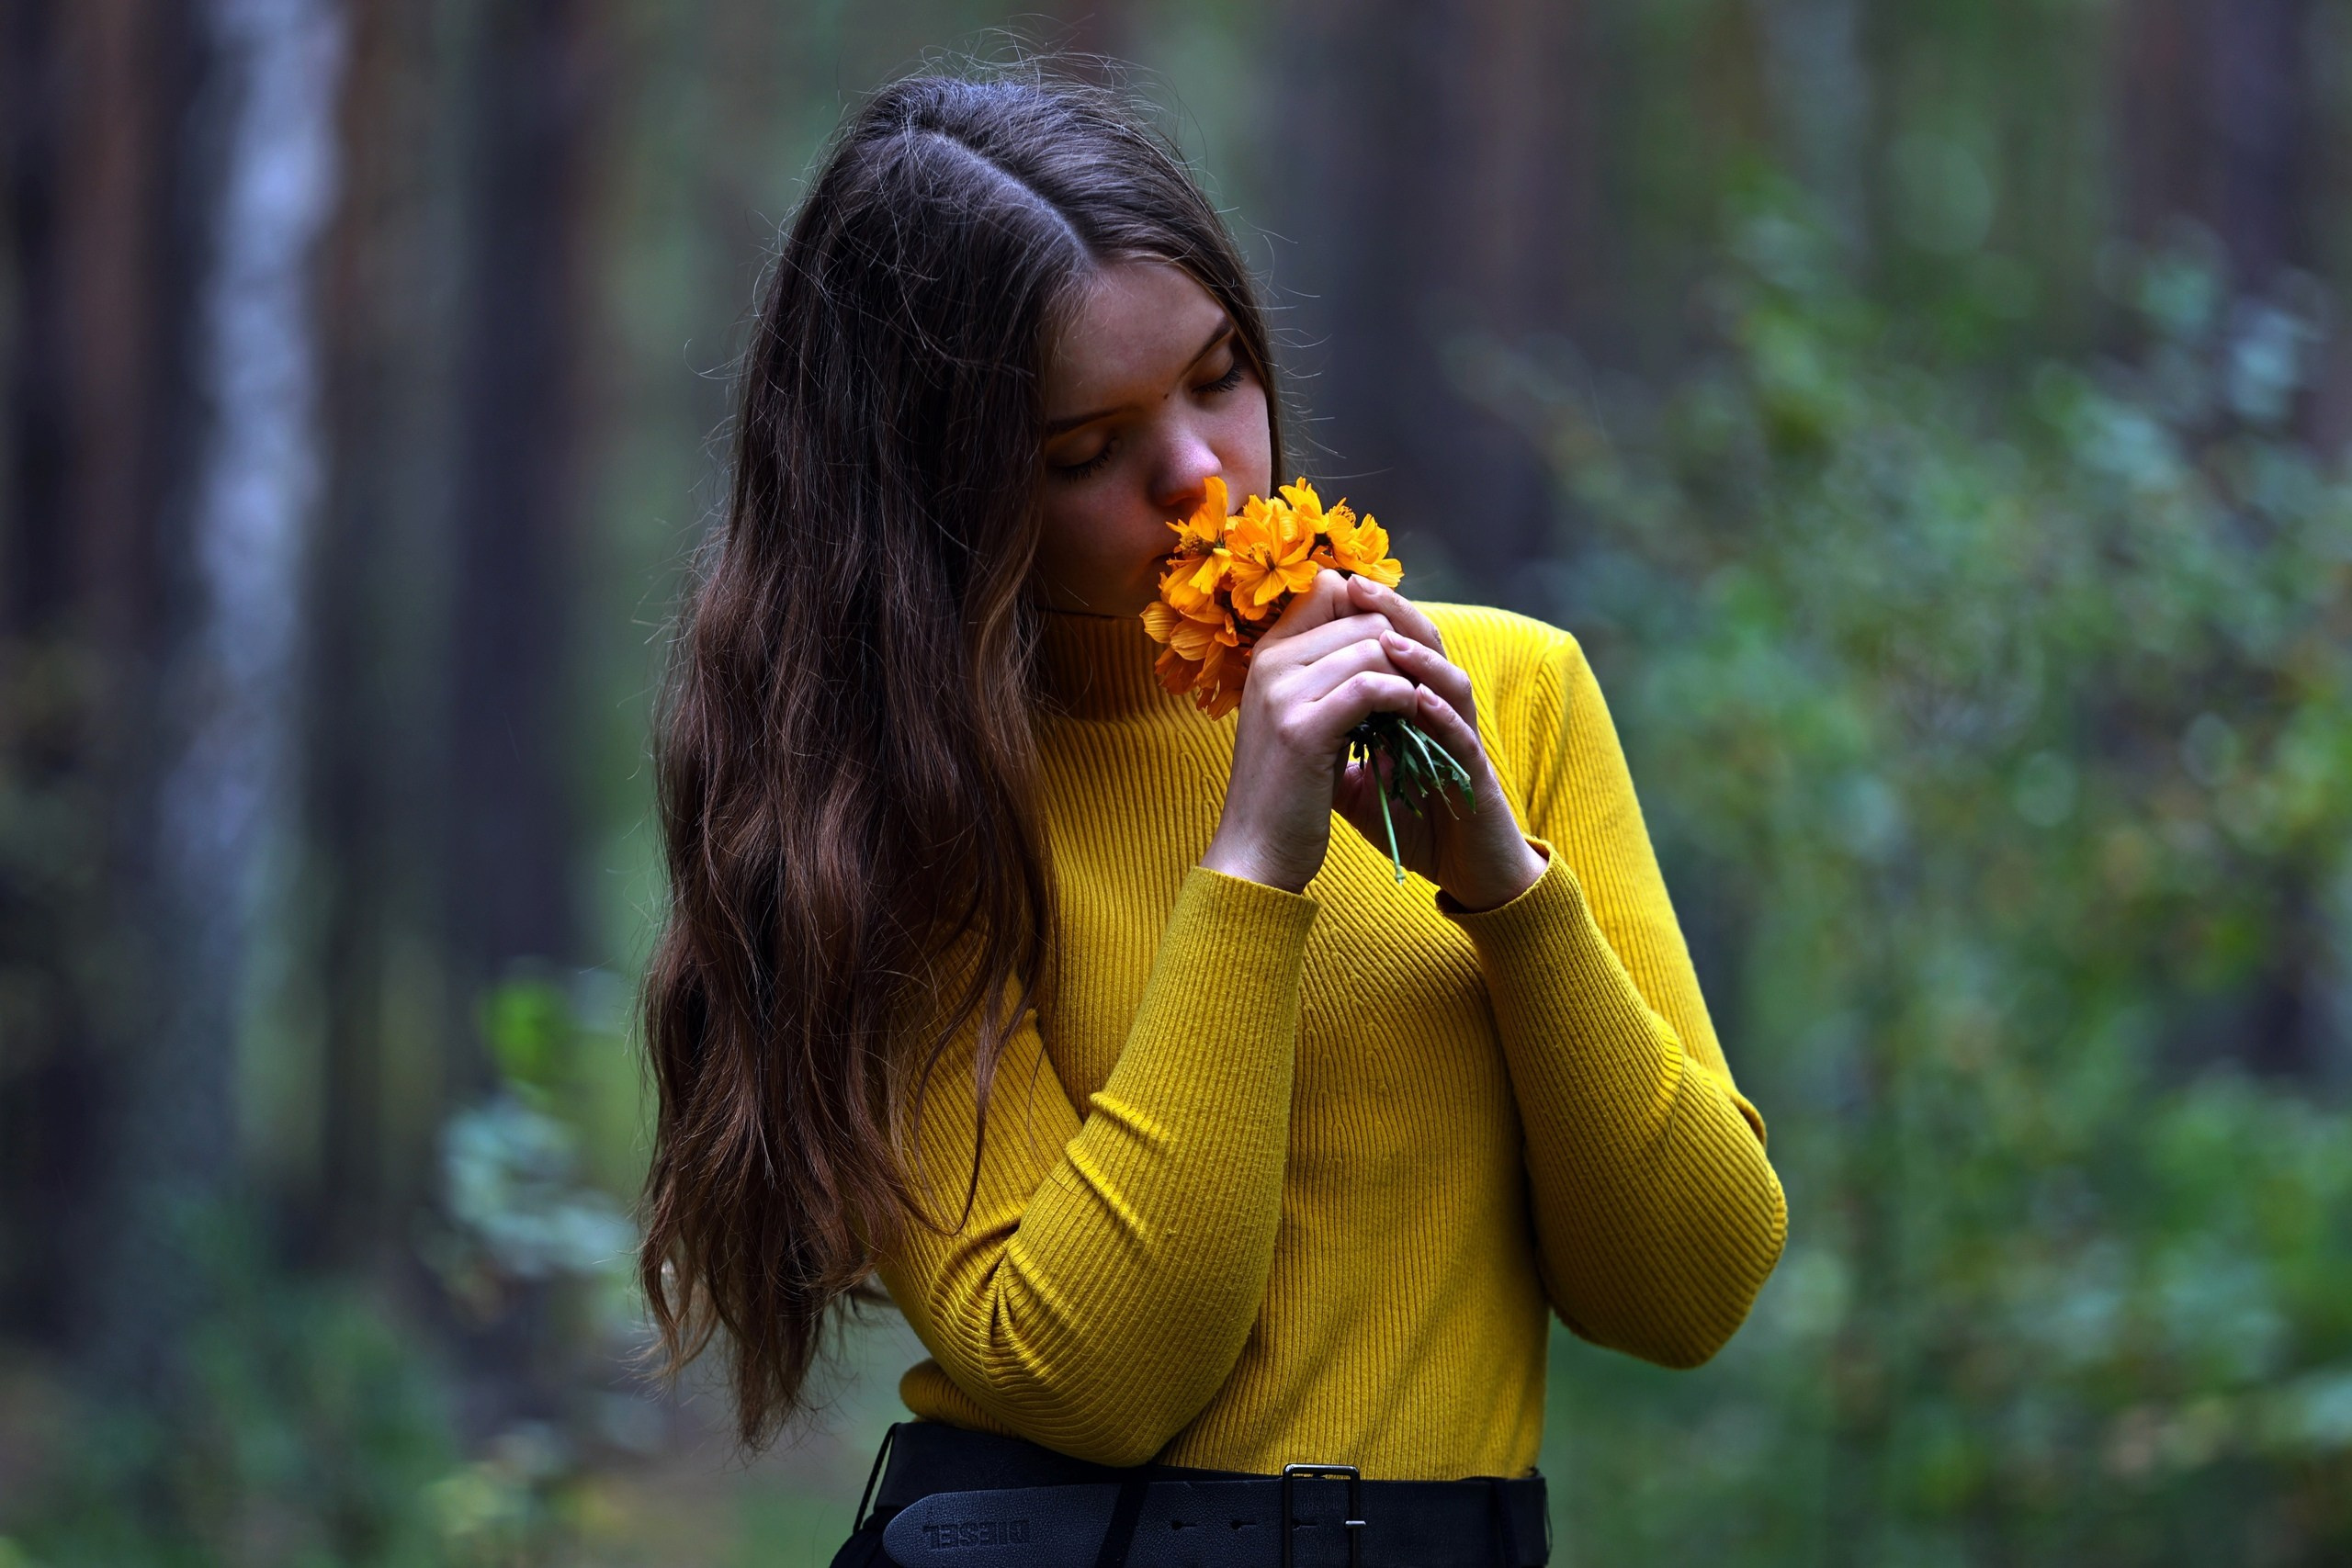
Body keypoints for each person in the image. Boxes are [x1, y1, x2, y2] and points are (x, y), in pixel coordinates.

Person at [637, 66, 1786, 1568]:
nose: (1197, 473)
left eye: (1219, 373)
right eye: (1083, 451)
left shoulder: (1508, 695)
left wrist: (1509, 891)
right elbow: (1091, 1374)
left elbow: (1688, 1290)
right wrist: (1252, 869)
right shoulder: (897, 809)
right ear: (931, 495)